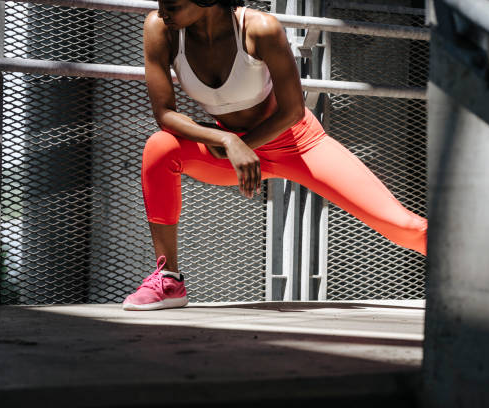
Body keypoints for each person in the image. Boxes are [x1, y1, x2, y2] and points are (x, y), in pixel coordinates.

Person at [122, 0, 427, 311]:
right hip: (234, 150)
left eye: (171, 5)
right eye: (160, 3)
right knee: (161, 147)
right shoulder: (161, 29)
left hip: (299, 146)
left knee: (404, 227)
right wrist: (229, 140)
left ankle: (472, 272)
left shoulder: (260, 29)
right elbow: (165, 115)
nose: (162, 12)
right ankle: (169, 279)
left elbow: (293, 111)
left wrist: (243, 144)